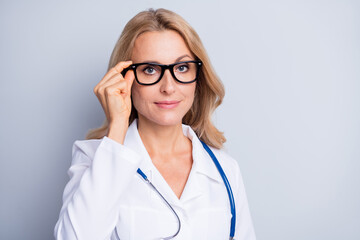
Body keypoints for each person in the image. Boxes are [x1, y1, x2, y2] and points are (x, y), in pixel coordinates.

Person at [54, 8, 256, 240]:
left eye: (182, 68)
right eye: (150, 70)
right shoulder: (94, 158)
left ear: (197, 79)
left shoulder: (225, 169)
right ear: (124, 79)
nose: (168, 87)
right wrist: (117, 125)